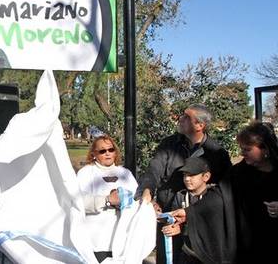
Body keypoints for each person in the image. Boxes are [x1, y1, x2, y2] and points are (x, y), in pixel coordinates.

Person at [136, 104, 231, 264]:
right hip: (169, 217)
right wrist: (147, 192)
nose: (181, 118)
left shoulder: (217, 153)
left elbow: (225, 190)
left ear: (200, 125)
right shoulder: (169, 144)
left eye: (187, 117)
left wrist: (193, 214)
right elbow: (154, 170)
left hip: (198, 222)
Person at [171, 122, 278, 263]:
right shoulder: (239, 173)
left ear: (265, 149)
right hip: (248, 247)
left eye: (247, 149)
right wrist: (189, 212)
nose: (242, 153)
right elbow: (219, 195)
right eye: (242, 149)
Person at [76, 135, 138, 263]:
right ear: (94, 154)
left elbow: (137, 198)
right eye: (102, 151)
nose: (108, 153)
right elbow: (77, 202)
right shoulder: (85, 174)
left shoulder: (125, 174)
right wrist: (107, 200)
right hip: (96, 243)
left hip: (123, 242)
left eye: (111, 149)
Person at [161, 157, 214, 264]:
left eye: (191, 175)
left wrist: (183, 228)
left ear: (206, 176)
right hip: (188, 254)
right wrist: (174, 226)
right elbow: (176, 221)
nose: (187, 179)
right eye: (185, 175)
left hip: (211, 255)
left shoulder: (214, 195)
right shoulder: (180, 196)